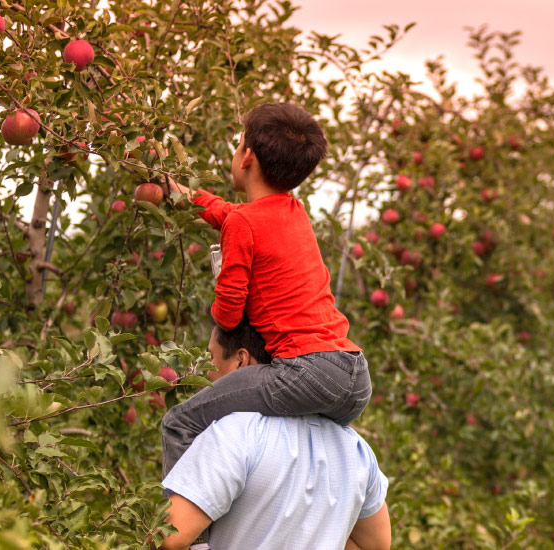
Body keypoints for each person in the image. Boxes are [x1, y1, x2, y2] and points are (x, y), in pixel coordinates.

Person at [159, 102, 371, 478]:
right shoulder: (293, 209)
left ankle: (186, 518)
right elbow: (230, 215)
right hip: (354, 376)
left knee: (179, 422)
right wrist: (180, 194)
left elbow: (228, 315)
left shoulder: (245, 223)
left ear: (247, 157)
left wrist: (222, 293)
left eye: (238, 142)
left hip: (306, 372)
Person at [159, 320, 391, 550]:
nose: (206, 371)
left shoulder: (234, 432)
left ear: (241, 361)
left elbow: (169, 537)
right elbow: (375, 544)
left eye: (211, 358)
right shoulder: (356, 449)